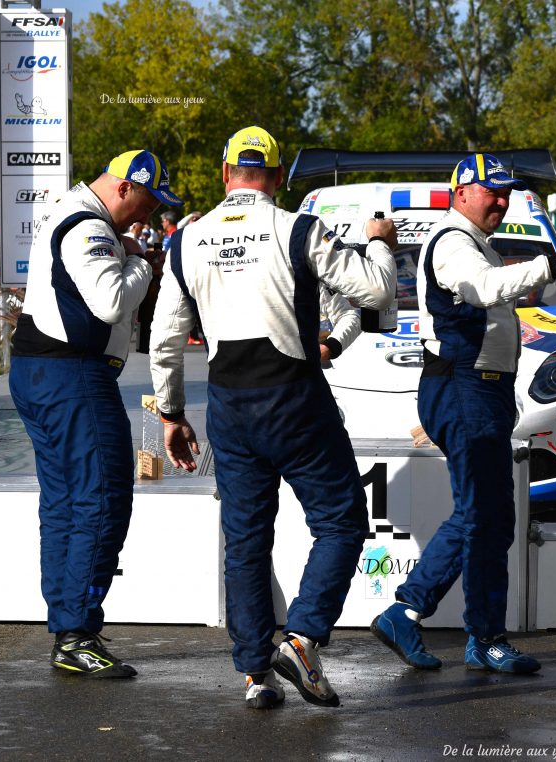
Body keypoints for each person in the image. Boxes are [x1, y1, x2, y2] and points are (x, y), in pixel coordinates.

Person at [149, 126, 396, 710]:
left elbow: (164, 337)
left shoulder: (187, 239)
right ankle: (304, 638)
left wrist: (171, 412)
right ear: (279, 176)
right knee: (340, 522)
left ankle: (255, 672)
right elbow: (378, 289)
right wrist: (380, 241)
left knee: (246, 541)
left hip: (228, 403)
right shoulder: (297, 228)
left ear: (225, 173)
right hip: (293, 397)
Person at [370, 152, 556, 674]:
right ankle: (411, 612)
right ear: (462, 192)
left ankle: (480, 636)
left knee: (492, 516)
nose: (502, 200)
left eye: (506, 192)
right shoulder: (453, 242)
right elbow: (485, 289)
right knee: (482, 514)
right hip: (463, 390)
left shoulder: (476, 244)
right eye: (492, 191)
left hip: (479, 390)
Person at [9, 149, 180, 678]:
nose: (149, 217)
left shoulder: (72, 213)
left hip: (46, 372)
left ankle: (68, 627)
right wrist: (140, 262)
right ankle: (77, 632)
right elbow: (110, 303)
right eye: (149, 203)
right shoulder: (90, 225)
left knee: (64, 503)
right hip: (72, 376)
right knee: (101, 499)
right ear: (126, 188)